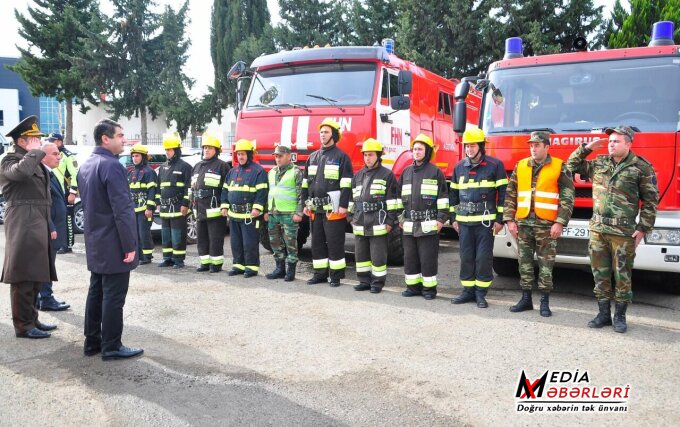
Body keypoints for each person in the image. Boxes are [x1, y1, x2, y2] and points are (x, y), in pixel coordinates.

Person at [567, 126, 658, 333]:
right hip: (598, 229)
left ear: (628, 144)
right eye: (609, 141)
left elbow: (651, 201)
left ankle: (620, 317)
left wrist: (643, 228)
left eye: (616, 141)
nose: (611, 144)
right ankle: (603, 314)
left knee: (622, 276)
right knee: (600, 274)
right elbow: (570, 165)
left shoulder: (641, 168)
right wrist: (587, 147)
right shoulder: (599, 163)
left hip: (623, 232)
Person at [78, 118, 143, 360]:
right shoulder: (112, 165)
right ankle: (112, 346)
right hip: (114, 243)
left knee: (96, 292)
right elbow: (122, 210)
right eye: (119, 135)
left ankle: (92, 342)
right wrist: (130, 246)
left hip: (96, 242)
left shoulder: (86, 165)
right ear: (106, 139)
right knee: (114, 296)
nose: (124, 140)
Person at [503, 131, 575, 317]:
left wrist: (559, 222)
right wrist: (509, 220)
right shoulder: (521, 166)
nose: (533, 149)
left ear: (546, 147)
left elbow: (568, 198)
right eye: (531, 145)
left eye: (537, 145)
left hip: (546, 225)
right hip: (523, 223)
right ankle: (526, 299)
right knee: (524, 263)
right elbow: (510, 194)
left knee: (546, 265)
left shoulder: (560, 166)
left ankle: (544, 302)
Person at [0, 116, 58, 339]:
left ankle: (32, 319)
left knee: (36, 273)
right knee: (23, 274)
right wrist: (35, 153)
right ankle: (23, 326)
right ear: (22, 141)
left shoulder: (32, 160)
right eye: (34, 138)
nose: (38, 142)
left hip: (38, 220)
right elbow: (19, 174)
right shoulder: (8, 160)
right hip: (23, 221)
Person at [450, 128, 507, 308]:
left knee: (483, 258)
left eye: (472, 145)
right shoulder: (459, 167)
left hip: (485, 222)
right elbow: (453, 195)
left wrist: (500, 219)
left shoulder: (495, 165)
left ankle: (481, 294)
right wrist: (453, 218)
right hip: (464, 223)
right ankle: (467, 292)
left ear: (481, 146)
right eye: (467, 146)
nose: (469, 149)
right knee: (466, 257)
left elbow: (504, 195)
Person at [301, 118, 353, 287]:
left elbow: (346, 183)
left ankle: (336, 276)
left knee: (335, 243)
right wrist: (304, 204)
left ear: (334, 135)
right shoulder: (313, 157)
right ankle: (319, 274)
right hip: (315, 209)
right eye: (321, 132)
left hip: (334, 210)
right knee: (316, 243)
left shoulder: (342, 157)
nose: (322, 135)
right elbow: (305, 183)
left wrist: (344, 205)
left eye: (326, 132)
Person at [398, 134, 449, 300]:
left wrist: (441, 220)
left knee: (428, 258)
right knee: (410, 257)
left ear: (427, 152)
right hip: (409, 223)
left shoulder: (435, 172)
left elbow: (443, 199)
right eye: (414, 149)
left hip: (428, 223)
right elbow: (399, 198)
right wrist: (400, 218)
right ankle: (412, 288)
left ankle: (429, 290)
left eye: (420, 149)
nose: (416, 152)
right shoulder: (406, 172)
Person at [348, 138, 399, 293]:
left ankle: (377, 283)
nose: (367, 158)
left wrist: (390, 221)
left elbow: (393, 201)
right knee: (361, 253)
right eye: (365, 155)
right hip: (360, 220)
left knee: (378, 255)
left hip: (379, 220)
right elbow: (352, 199)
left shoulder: (387, 175)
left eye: (370, 155)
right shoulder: (358, 176)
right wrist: (350, 218)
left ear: (378, 155)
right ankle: (363, 280)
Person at [221, 139, 267, 277]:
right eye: (238, 154)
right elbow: (225, 190)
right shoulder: (232, 172)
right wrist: (224, 206)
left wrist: (258, 208)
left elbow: (262, 192)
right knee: (235, 243)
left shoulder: (258, 171)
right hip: (234, 214)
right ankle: (238, 266)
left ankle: (251, 267)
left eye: (243, 154)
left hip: (249, 216)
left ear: (249, 154)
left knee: (250, 243)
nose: (240, 156)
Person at [37, 142, 71, 311]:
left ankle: (41, 296)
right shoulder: (41, 174)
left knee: (47, 263)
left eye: (59, 154)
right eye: (55, 154)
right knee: (46, 265)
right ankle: (45, 298)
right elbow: (42, 205)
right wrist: (51, 227)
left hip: (54, 227)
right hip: (49, 230)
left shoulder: (49, 172)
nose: (59, 157)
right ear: (43, 156)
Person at [191, 131, 230, 273]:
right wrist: (191, 204)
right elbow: (192, 187)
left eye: (210, 147)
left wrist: (225, 205)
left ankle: (216, 264)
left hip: (214, 208)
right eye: (204, 147)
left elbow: (226, 189)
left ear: (216, 150)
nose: (206, 150)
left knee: (215, 238)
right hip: (199, 208)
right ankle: (205, 263)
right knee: (201, 238)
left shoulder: (222, 166)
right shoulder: (197, 166)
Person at [264, 145, 304, 282]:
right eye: (276, 156)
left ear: (288, 156)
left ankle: (291, 271)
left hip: (289, 213)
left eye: (280, 156)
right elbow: (268, 192)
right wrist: (266, 211)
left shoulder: (296, 171)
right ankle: (279, 269)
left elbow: (301, 194)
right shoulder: (272, 172)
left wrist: (299, 212)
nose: (277, 158)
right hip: (273, 213)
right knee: (275, 242)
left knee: (290, 243)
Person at [157, 132, 192, 269]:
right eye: (166, 150)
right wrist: (158, 203)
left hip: (178, 207)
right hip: (165, 208)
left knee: (178, 234)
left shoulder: (185, 167)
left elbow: (188, 187)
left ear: (176, 150)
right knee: (166, 234)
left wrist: (185, 204)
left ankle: (178, 260)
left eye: (170, 149)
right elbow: (159, 187)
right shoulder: (162, 167)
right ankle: (167, 258)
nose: (167, 152)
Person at [47, 133, 78, 254]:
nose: (51, 143)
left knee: (68, 219)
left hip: (66, 191)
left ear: (60, 142)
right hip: (55, 190)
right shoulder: (49, 154)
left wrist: (73, 193)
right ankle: (59, 242)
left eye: (53, 141)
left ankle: (68, 245)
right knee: (57, 217)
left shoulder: (68, 156)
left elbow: (75, 174)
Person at [128, 144, 158, 265]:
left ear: (144, 157)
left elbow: (152, 191)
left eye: (137, 156)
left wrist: (150, 208)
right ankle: (139, 255)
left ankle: (147, 256)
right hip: (134, 208)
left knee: (143, 232)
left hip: (145, 208)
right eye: (133, 156)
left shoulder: (149, 172)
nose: (135, 158)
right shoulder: (131, 172)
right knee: (135, 233)